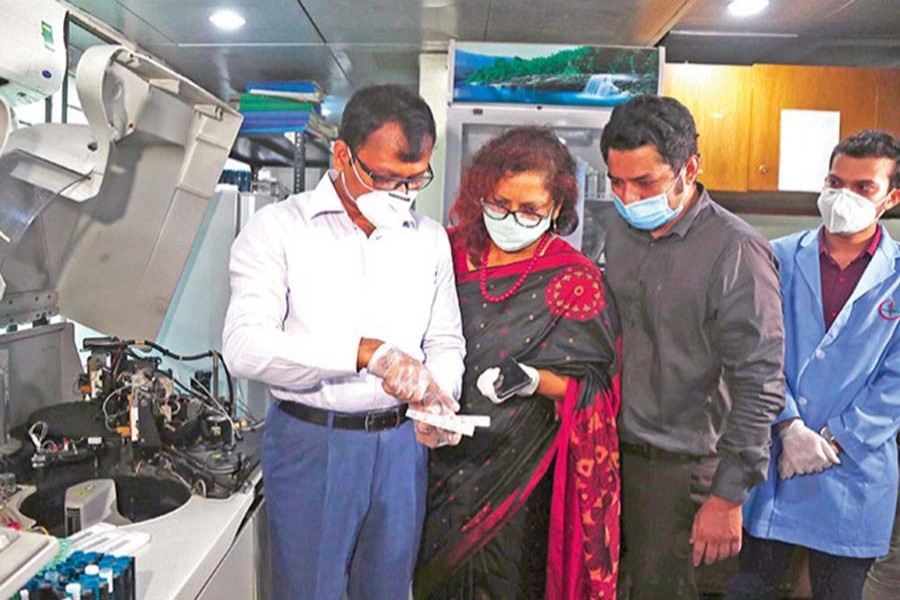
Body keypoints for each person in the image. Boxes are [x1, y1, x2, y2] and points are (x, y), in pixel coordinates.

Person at [221, 84, 466, 600]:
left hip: (401, 448)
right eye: (384, 178)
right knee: (310, 590)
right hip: (314, 441)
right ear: (341, 155)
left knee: (389, 589)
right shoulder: (279, 230)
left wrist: (437, 398)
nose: (401, 194)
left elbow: (444, 338)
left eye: (415, 179)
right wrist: (363, 353)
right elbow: (244, 345)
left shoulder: (428, 238)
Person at [414, 127, 622, 599]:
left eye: (530, 210)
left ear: (557, 211)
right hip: (434, 465)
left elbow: (598, 391)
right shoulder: (447, 253)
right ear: (480, 195)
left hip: (519, 479)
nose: (512, 218)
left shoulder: (577, 280)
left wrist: (533, 380)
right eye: (500, 204)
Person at [600, 95, 786, 600]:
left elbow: (760, 383)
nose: (629, 197)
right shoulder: (618, 232)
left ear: (690, 168)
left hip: (687, 475)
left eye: (645, 183)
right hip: (617, 458)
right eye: (617, 182)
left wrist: (727, 497)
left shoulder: (736, 251)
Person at [729, 130, 900, 600]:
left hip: (853, 470)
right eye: (835, 181)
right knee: (751, 587)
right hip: (775, 461)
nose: (843, 196)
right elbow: (754, 351)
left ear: (891, 197)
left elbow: (896, 384)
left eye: (863, 187)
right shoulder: (777, 257)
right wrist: (789, 426)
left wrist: (833, 438)